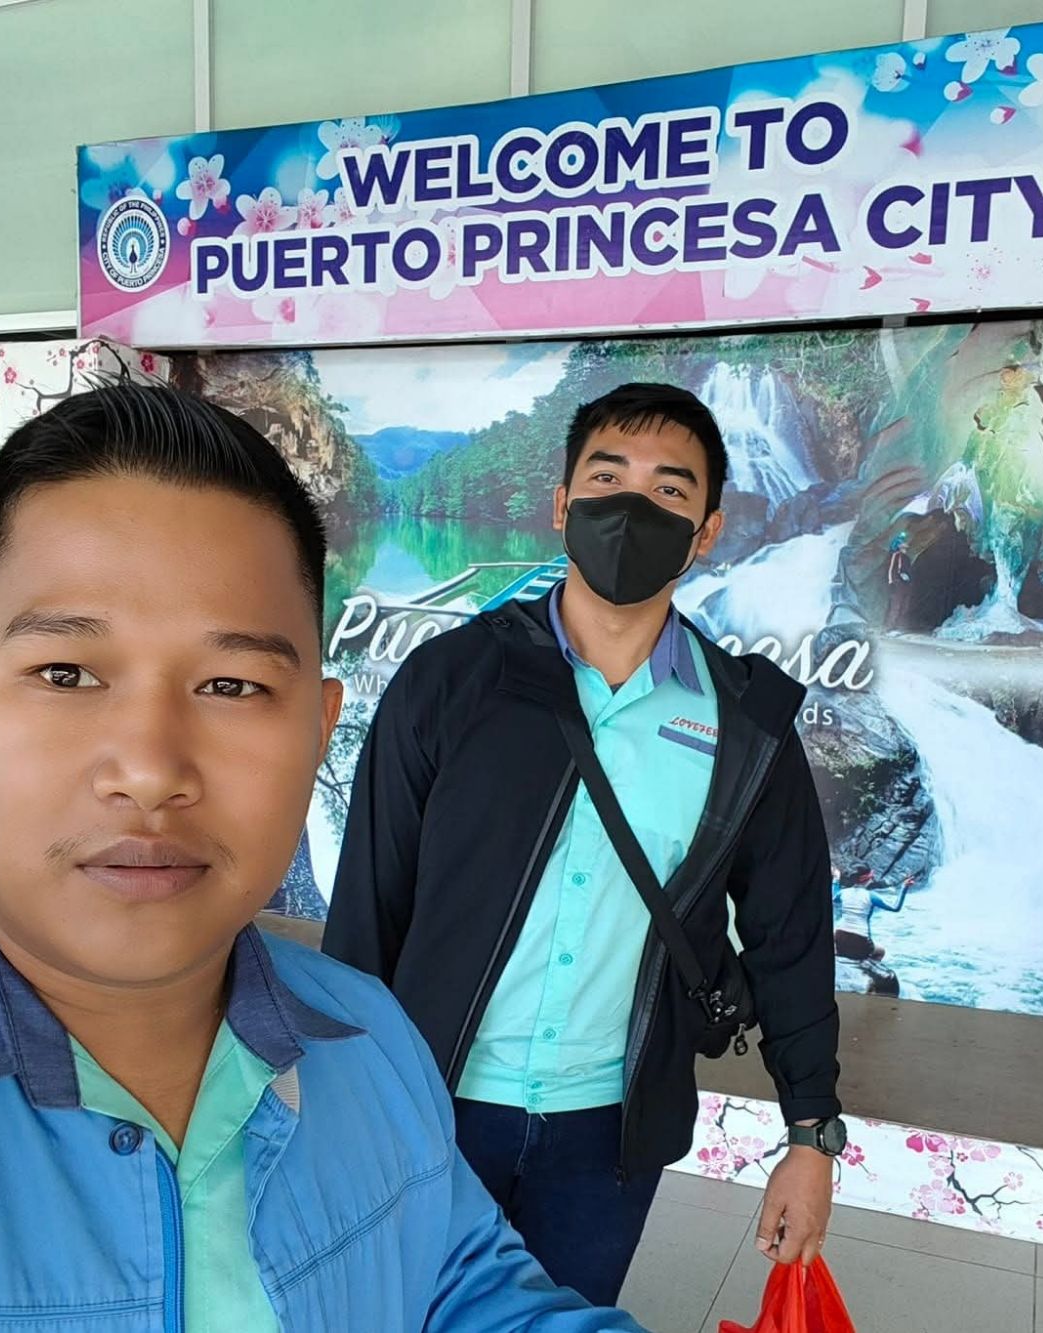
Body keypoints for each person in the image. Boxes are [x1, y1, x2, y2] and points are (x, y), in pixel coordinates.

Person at [0, 385, 644, 1333]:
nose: (148, 769)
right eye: (65, 670)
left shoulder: (368, 1042)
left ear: (320, 729)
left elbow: (459, 1285)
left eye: (231, 686)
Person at [326, 381, 845, 1307]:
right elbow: (369, 912)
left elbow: (791, 936)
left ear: (708, 531)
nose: (631, 508)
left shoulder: (746, 724)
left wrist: (811, 1138)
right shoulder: (452, 682)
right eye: (607, 478)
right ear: (563, 504)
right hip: (432, 1111)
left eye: (669, 491)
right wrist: (341, 1107)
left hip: (607, 1138)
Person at [831, 863, 915, 963]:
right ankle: (869, 971)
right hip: (861, 940)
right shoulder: (871, 896)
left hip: (839, 936)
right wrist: (904, 887)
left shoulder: (844, 893)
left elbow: (833, 897)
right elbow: (895, 907)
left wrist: (836, 879)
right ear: (866, 878)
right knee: (880, 951)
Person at [885, 531, 913, 630]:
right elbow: (891, 569)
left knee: (904, 606)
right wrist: (891, 581)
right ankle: (889, 627)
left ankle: (899, 626)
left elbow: (908, 571)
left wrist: (908, 581)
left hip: (905, 584)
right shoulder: (896, 556)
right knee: (895, 606)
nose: (905, 549)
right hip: (897, 584)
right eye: (903, 547)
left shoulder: (906, 558)